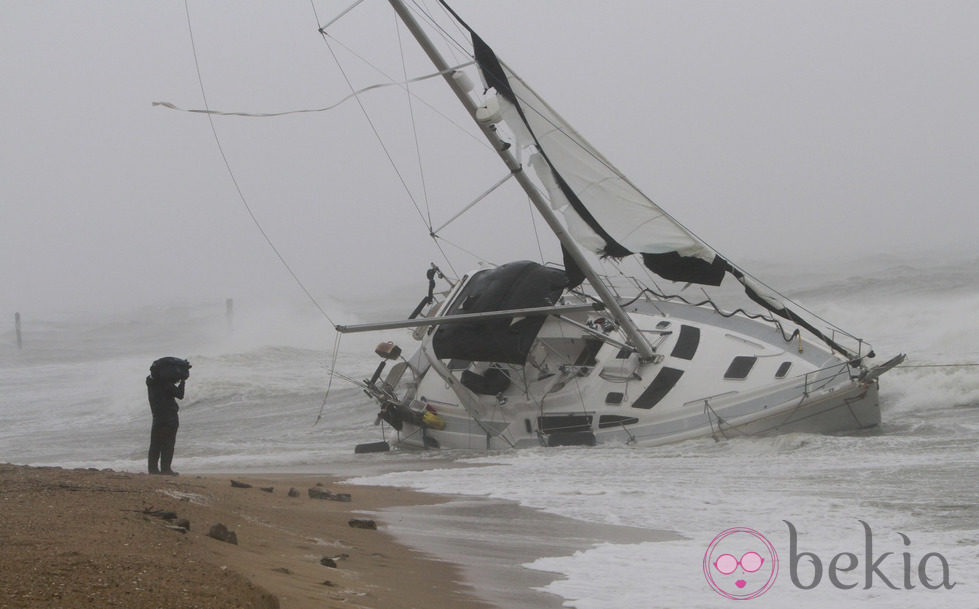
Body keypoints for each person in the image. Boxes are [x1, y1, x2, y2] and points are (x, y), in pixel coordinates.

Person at [146, 358, 190, 475]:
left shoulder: (150, 383)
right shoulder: (165, 384)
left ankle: (153, 469)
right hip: (169, 416)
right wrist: (183, 381)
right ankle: (166, 469)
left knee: (155, 443)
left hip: (157, 416)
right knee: (168, 443)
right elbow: (180, 395)